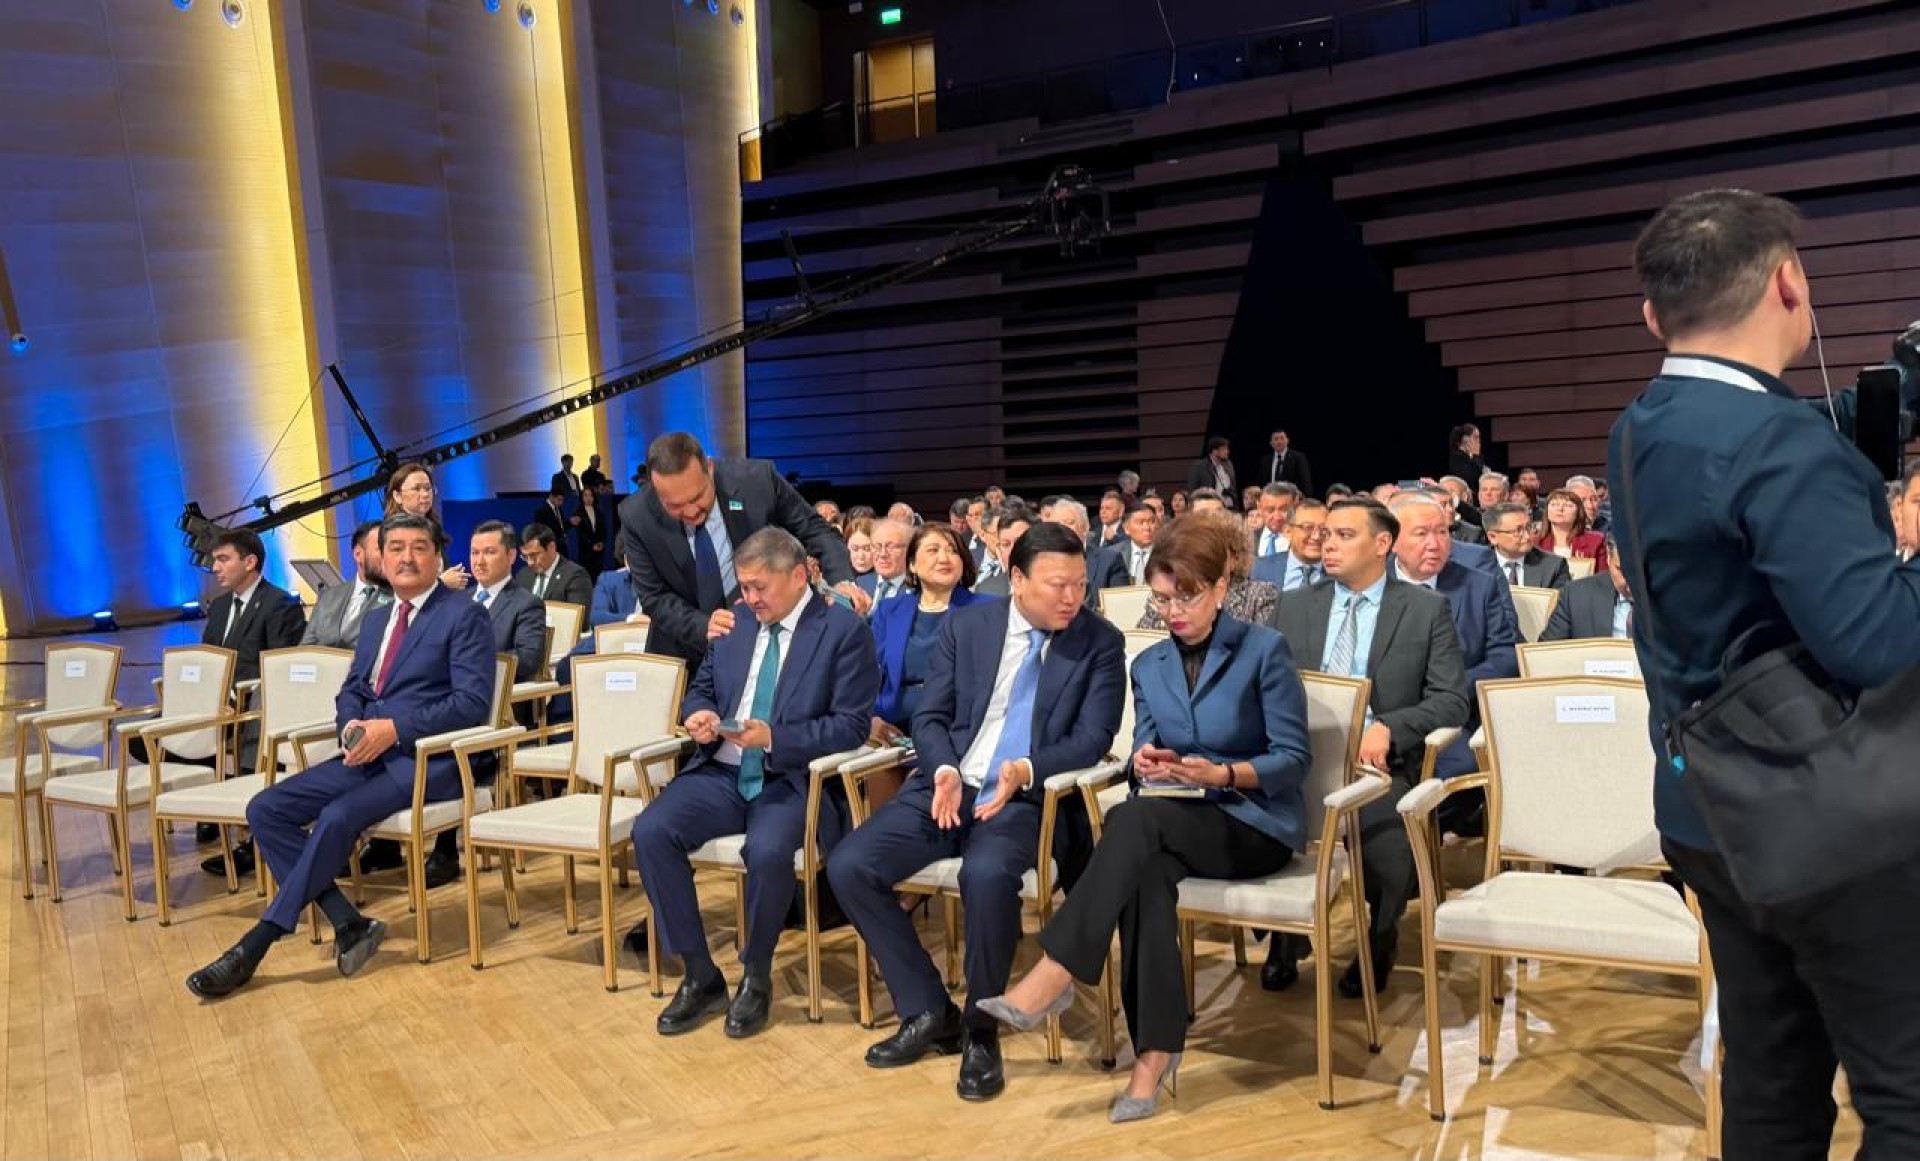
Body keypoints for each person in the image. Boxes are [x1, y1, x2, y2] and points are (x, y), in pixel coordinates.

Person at [1611, 187, 1920, 1156]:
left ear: (1655, 315)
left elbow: (1744, 464)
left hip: (1711, 808)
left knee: (1774, 1083)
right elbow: (1877, 642)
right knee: (1908, 1096)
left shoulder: (1643, 422)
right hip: (1826, 817)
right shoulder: (1778, 445)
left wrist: (1888, 397)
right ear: (1789, 282)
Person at [976, 516, 1311, 1122]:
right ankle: (1153, 1057)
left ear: (1220, 587)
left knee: (1133, 824)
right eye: (1161, 598)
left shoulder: (1264, 650)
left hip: (1253, 823)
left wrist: (1221, 774)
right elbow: (1143, 755)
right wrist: (1148, 763)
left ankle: (1055, 972)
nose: (1172, 611)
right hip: (1175, 819)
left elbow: (1292, 760)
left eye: (1186, 597)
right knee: (1144, 875)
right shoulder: (1149, 664)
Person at [827, 523, 1125, 1102]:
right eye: (1057, 585)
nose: (1072, 598)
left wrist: (1026, 769)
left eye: (1080, 585)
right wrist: (941, 768)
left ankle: (981, 1031)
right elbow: (931, 716)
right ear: (1017, 579)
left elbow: (1093, 738)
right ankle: (928, 1009)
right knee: (850, 865)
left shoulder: (1099, 642)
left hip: (1024, 797)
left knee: (986, 876)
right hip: (948, 782)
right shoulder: (969, 627)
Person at [184, 514, 494, 998]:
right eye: (395, 548)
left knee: (336, 816)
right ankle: (347, 920)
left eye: (418, 547)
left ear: (437, 556)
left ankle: (258, 941)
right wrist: (350, 724)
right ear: (381, 558)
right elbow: (353, 689)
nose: (406, 558)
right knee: (266, 809)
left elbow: (472, 703)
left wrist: (394, 729)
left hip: (430, 760)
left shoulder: (463, 614)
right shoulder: (377, 620)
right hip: (367, 752)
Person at [632, 528, 878, 1039]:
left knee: (766, 851)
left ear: (798, 575)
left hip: (792, 778)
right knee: (651, 831)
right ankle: (700, 974)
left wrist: (775, 737)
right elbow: (703, 687)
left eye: (759, 587)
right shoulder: (737, 622)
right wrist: (699, 714)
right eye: (743, 587)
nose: (749, 598)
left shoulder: (841, 630)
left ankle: (757, 975)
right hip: (721, 771)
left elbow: (851, 726)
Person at [1262, 500, 1469, 995]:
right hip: (1300, 757)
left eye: (1343, 535)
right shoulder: (1294, 605)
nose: (1327, 544)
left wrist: (1392, 726)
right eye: (1326, 534)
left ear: (1382, 544)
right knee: (1255, 814)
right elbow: (1266, 684)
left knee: (1385, 839)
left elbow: (1452, 700)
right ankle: (1285, 933)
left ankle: (1380, 934)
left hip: (1376, 763)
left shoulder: (1424, 609)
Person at [619, 433, 863, 668]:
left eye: (697, 497)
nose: (691, 512)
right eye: (675, 506)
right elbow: (654, 596)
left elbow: (815, 529)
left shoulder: (757, 481)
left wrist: (841, 581)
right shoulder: (636, 515)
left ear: (709, 468)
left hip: (765, 643)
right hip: (683, 653)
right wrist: (704, 626)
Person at [1388, 493, 1519, 789]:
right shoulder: (1372, 585)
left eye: (1442, 532)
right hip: (1385, 716)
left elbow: (1504, 657)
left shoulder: (1479, 585)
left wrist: (1451, 689)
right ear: (1392, 541)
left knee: (1462, 772)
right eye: (1421, 533)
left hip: (1455, 716)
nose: (1434, 544)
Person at [871, 524, 988, 739]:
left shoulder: (987, 609)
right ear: (912, 564)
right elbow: (865, 674)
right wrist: (872, 719)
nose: (944, 558)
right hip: (894, 729)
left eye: (953, 551)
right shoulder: (889, 610)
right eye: (933, 550)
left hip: (957, 728)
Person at [1139, 510, 1278, 631]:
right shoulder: (1166, 593)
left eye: (1214, 552)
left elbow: (1262, 647)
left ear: (1235, 558)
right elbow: (1143, 640)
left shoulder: (1260, 595)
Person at [303, 521, 392, 651]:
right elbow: (305, 648)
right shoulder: (328, 597)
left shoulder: (399, 599)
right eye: (381, 549)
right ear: (358, 554)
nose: (389, 556)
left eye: (392, 549)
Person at [1539, 534, 1632, 641]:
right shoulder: (1576, 597)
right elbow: (1547, 648)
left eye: (1643, 570)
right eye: (1622, 570)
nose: (1631, 583)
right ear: (1608, 557)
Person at [1484, 502, 1570, 591]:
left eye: (1529, 527)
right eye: (1517, 531)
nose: (1527, 536)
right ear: (1493, 537)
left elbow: (1562, 599)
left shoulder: (1553, 565)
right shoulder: (1477, 565)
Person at [1045, 499, 1128, 592]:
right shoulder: (1042, 562)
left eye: (1069, 522)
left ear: (1085, 527)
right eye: (1057, 525)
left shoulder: (1110, 560)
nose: (1063, 529)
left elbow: (1120, 599)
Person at [1250, 498, 1328, 592]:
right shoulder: (1260, 569)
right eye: (1308, 527)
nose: (1317, 536)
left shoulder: (1339, 574)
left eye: (1324, 529)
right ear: (1288, 532)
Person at [1536, 487, 1609, 575]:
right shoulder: (1534, 542)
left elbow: (1603, 577)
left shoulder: (1596, 541)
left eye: (1568, 505)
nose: (1560, 509)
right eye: (1554, 504)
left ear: (1578, 512)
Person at [515, 524, 592, 607]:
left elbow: (576, 614)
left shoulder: (575, 576)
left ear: (551, 547)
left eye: (534, 555)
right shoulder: (523, 575)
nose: (530, 562)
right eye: (525, 556)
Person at [974, 506, 1035, 599]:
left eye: (1019, 542)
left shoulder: (1055, 588)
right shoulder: (985, 590)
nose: (1012, 551)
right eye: (1006, 544)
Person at [856, 518, 912, 605]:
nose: (883, 554)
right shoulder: (860, 584)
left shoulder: (917, 590)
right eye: (877, 546)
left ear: (909, 550)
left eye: (891, 547)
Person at [589, 554, 646, 628]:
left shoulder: (660, 584)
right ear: (627, 561)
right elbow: (596, 617)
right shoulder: (608, 580)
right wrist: (631, 619)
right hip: (622, 633)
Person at [570, 482, 609, 578]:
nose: (588, 498)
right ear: (582, 497)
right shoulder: (578, 512)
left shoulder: (599, 512)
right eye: (585, 495)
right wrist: (591, 545)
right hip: (586, 552)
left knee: (598, 577)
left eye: (591, 495)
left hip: (598, 552)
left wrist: (601, 542)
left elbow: (603, 530)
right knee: (586, 577)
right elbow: (580, 533)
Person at [1115, 502, 1158, 585]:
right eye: (1140, 522)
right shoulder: (1114, 554)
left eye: (1152, 521)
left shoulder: (1168, 553)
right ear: (1126, 528)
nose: (1147, 527)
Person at [1253, 483, 1300, 558]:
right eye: (1270, 510)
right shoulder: (1248, 539)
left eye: (1284, 510)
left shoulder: (1303, 541)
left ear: (1296, 507)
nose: (1277, 517)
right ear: (1259, 508)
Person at [1260, 429, 1313, 496]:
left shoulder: (1298, 457)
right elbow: (1261, 482)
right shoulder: (1265, 460)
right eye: (1276, 439)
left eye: (1282, 438)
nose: (1279, 441)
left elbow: (1305, 481)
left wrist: (1307, 497)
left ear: (1287, 441)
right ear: (1271, 443)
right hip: (1271, 497)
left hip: (1291, 497)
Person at [1185, 437, 1236, 505]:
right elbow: (1192, 491)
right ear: (1214, 451)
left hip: (1229, 506)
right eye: (1224, 449)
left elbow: (1233, 487)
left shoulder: (1228, 464)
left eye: (1227, 449)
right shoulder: (1199, 466)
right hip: (1209, 506)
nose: (1227, 451)